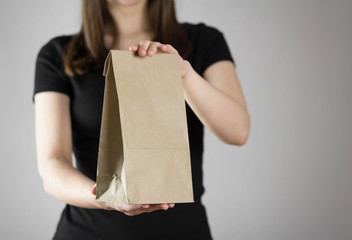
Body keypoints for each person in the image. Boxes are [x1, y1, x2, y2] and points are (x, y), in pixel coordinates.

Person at [32, 0, 250, 239]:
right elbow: (53, 164)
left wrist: (184, 74)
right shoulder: (58, 54)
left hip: (182, 232)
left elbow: (237, 132)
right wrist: (106, 198)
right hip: (87, 231)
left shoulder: (203, 40)